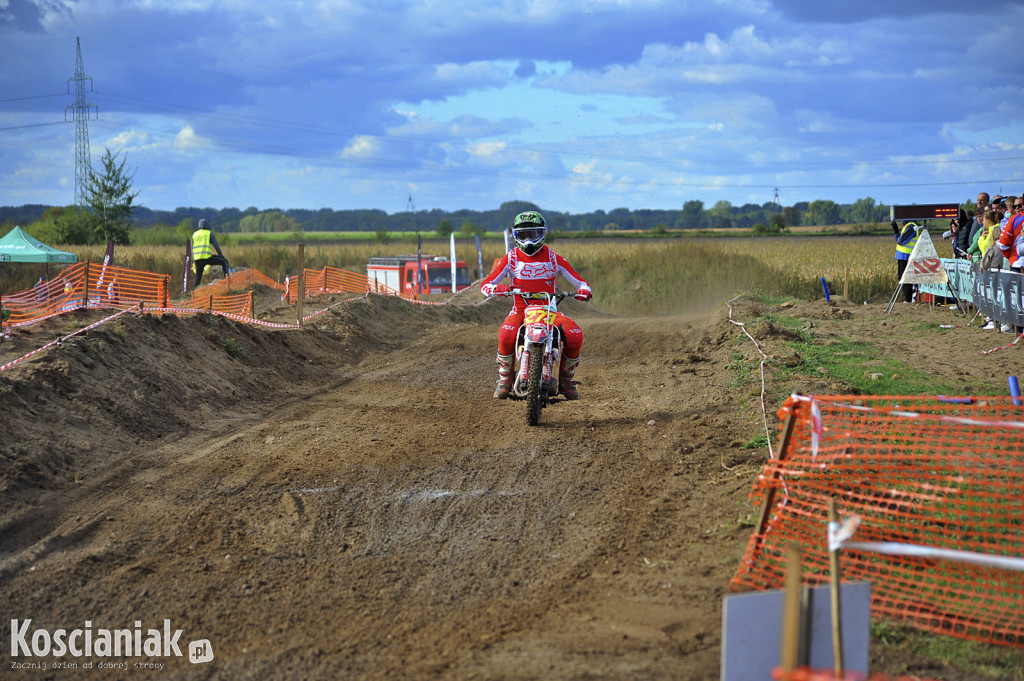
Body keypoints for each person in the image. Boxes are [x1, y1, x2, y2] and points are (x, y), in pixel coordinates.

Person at [480, 211, 592, 400]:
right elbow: (486, 284)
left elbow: (581, 282)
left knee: (574, 335)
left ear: (543, 234)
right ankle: (505, 380)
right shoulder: (511, 258)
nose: (529, 240)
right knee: (506, 335)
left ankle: (566, 381)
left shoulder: (554, 258)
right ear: (515, 236)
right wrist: (495, 288)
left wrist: (584, 290)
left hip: (549, 310)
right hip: (521, 310)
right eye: (523, 235)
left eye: (534, 234)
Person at [191, 218, 231, 287]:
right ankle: (228, 282)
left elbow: (192, 249)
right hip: (207, 258)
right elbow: (216, 246)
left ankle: (194, 293)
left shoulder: (194, 235)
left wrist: (193, 260)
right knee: (224, 261)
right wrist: (221, 255)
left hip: (197, 260)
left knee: (198, 278)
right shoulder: (209, 233)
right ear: (207, 226)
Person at [891, 219, 919, 303]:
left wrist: (897, 233)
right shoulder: (908, 226)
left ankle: (908, 299)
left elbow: (900, 241)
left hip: (906, 256)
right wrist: (896, 231)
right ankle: (908, 299)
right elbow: (900, 239)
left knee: (904, 278)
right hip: (903, 256)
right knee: (902, 278)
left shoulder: (911, 226)